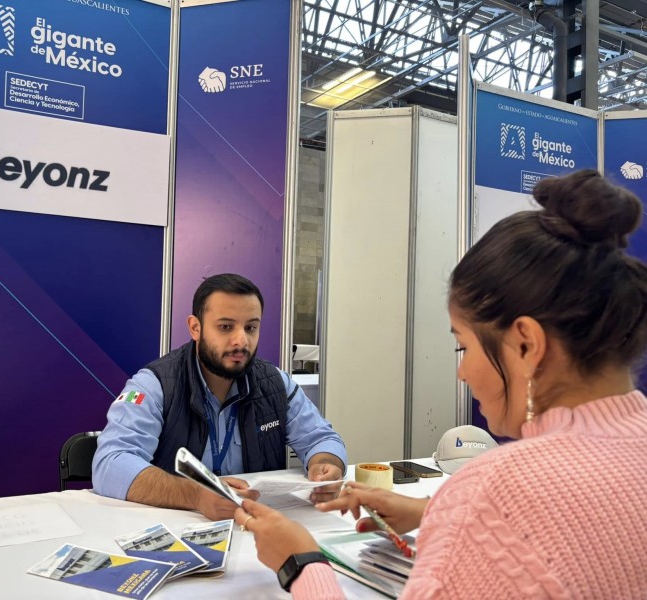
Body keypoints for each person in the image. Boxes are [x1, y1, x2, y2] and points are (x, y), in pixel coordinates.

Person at [235, 170, 647, 598]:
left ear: (526, 344)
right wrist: (435, 512)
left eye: (464, 347)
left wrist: (300, 563)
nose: (462, 372)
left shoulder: (495, 493)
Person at [92, 273, 347, 520]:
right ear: (195, 328)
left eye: (251, 327)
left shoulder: (275, 383)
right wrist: (196, 495)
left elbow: (322, 438)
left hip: (258, 529)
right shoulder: (156, 385)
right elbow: (110, 464)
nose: (241, 340)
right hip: (178, 530)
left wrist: (325, 463)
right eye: (226, 327)